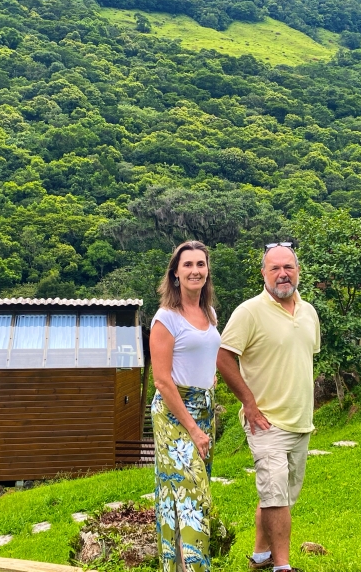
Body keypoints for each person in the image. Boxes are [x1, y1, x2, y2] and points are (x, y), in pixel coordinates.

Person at [216, 243, 320, 572]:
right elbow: (223, 357)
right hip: (265, 422)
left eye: (288, 266)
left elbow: (301, 359)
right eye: (274, 268)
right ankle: (282, 566)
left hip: (300, 421)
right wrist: (249, 403)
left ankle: (260, 556)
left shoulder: (309, 313)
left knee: (281, 494)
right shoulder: (249, 312)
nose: (282, 273)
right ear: (263, 273)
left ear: (298, 271)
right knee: (275, 495)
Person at [151, 240, 221, 572]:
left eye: (200, 264)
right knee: (192, 495)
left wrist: (211, 381)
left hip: (204, 409)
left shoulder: (209, 313)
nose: (195, 270)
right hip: (174, 412)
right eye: (188, 265)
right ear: (176, 274)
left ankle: (179, 567)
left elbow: (204, 356)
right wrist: (193, 428)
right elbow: (162, 380)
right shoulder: (167, 318)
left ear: (207, 272)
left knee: (187, 493)